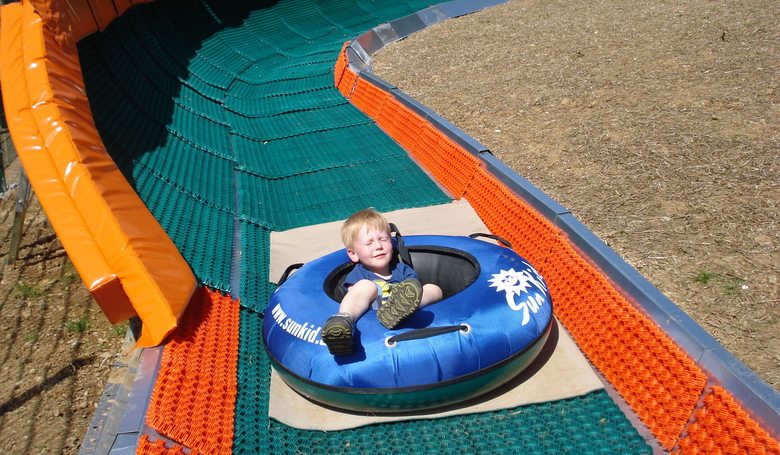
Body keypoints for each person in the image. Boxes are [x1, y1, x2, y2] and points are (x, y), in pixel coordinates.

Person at [321, 209, 443, 356]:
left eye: (383, 239)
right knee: (366, 286)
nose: (378, 246)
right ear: (353, 254)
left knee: (433, 288)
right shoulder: (359, 274)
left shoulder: (402, 270)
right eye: (369, 243)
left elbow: (416, 289)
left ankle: (400, 307)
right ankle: (344, 319)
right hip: (373, 315)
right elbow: (355, 296)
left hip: (402, 315)